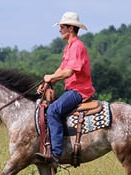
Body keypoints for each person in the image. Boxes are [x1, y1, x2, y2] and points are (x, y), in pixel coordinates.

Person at [35, 11, 95, 163]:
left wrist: (50, 78)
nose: (59, 30)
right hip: (72, 90)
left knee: (54, 110)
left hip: (79, 91)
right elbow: (61, 69)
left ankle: (55, 154)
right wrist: (47, 82)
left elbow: (69, 72)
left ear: (71, 28)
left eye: (62, 27)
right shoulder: (69, 47)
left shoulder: (77, 47)